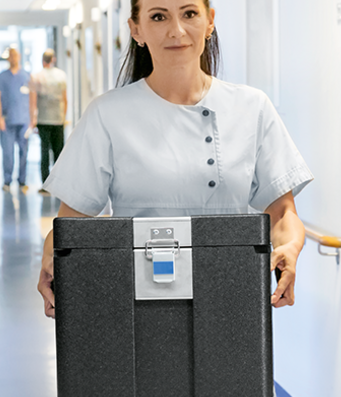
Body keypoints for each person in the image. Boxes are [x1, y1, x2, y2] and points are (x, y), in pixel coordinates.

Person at [38, 0, 314, 318]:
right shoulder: (108, 114)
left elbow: (282, 213)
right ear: (136, 29)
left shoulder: (251, 108)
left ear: (210, 21)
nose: (177, 30)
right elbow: (72, 222)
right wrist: (51, 252)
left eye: (189, 13)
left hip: (233, 293)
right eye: (158, 17)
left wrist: (289, 246)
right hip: (135, 300)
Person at [29, 49, 68, 195]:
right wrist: (63, 117)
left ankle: (45, 184)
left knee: (44, 151)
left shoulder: (36, 77)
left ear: (42, 60)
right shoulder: (61, 76)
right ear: (53, 59)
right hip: (58, 119)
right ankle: (59, 184)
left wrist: (33, 119)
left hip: (43, 119)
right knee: (58, 152)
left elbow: (33, 101)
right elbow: (65, 99)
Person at [0, 48, 31, 194]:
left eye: (15, 55)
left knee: (24, 152)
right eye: (11, 56)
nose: (13, 58)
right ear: (8, 58)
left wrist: (33, 119)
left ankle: (22, 181)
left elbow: (33, 97)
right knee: (8, 153)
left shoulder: (27, 76)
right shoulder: (2, 77)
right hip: (7, 120)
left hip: (23, 120)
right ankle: (7, 181)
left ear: (19, 57)